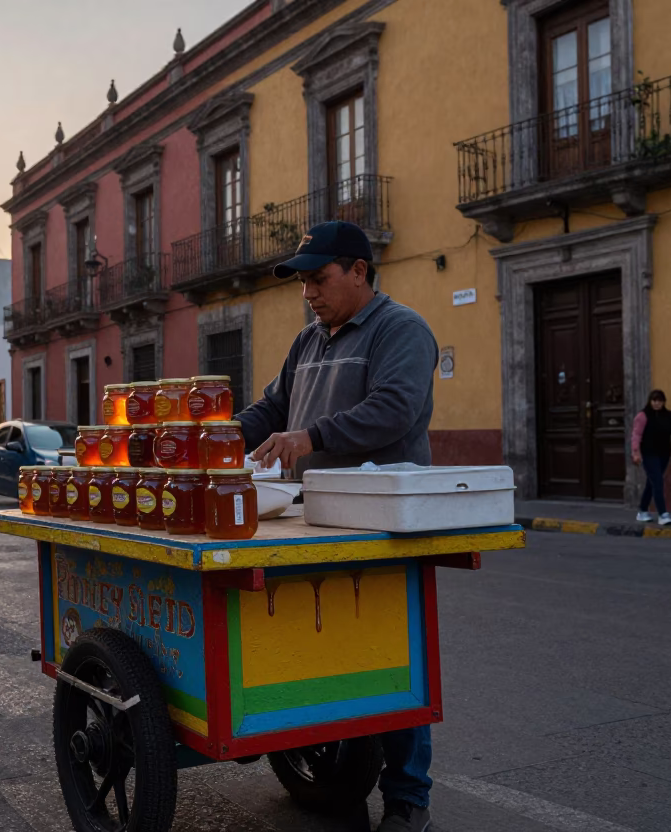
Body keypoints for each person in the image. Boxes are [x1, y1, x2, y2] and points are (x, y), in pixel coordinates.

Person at [237, 221, 438, 832]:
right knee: (319, 648)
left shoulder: (400, 329)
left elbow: (396, 407)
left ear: (359, 271)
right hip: (311, 517)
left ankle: (408, 798)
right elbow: (272, 408)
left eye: (319, 279)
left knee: (394, 661)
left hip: (382, 524)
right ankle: (328, 763)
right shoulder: (308, 342)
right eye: (303, 283)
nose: (310, 293)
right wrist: (212, 435)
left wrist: (312, 435)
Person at [630, 390, 671, 525]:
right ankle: (663, 514)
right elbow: (636, 435)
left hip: (664, 453)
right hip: (649, 454)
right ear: (650, 401)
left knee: (652, 481)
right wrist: (635, 452)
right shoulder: (643, 416)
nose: (656, 403)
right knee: (658, 481)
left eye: (659, 400)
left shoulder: (669, 416)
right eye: (654, 400)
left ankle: (642, 511)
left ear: (663, 402)